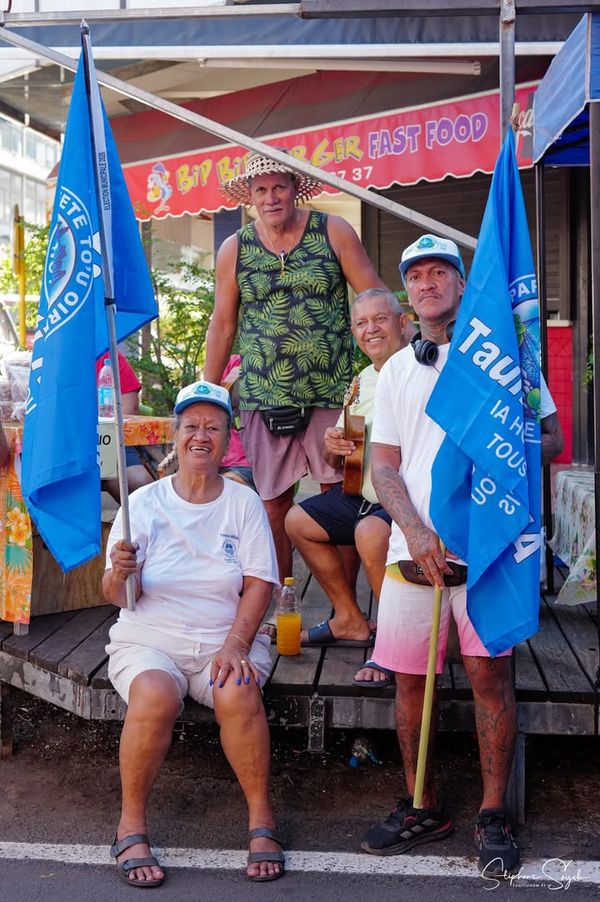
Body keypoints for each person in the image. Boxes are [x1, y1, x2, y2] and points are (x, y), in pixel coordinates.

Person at [361, 235, 562, 876]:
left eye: (439, 272)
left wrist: (504, 446)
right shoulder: (396, 369)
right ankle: (422, 804)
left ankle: (493, 812)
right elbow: (383, 466)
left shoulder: (506, 355)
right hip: (412, 550)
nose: (427, 283)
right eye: (415, 275)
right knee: (408, 683)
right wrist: (416, 531)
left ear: (462, 282)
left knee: (488, 679)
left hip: (487, 548)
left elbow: (553, 437)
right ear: (407, 293)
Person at [103, 379, 284, 887]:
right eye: (191, 426)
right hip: (150, 640)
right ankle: (130, 827)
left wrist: (236, 644)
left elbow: (260, 583)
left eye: (213, 427)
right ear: (175, 434)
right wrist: (121, 573)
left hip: (226, 639)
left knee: (238, 690)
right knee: (155, 696)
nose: (200, 436)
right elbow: (115, 594)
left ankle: (262, 820)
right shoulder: (143, 503)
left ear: (228, 440)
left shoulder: (243, 503)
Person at [204, 150, 386, 581]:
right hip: (263, 396)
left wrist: (404, 364)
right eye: (261, 190)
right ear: (250, 197)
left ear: (294, 189)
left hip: (335, 393)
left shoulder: (333, 231)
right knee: (272, 505)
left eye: (279, 187)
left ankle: (347, 607)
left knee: (342, 497)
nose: (271, 198)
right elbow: (223, 324)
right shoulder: (235, 248)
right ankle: (281, 601)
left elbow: (373, 299)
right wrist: (208, 395)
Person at [284, 288, 411, 686]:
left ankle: (395, 644)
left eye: (380, 319)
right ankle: (349, 618)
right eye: (361, 323)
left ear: (403, 323)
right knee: (297, 521)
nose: (370, 329)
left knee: (369, 533)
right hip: (363, 494)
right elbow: (343, 459)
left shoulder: (420, 369)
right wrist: (333, 447)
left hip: (407, 501)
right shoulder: (362, 380)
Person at [97, 351, 154, 501]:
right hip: (60, 447)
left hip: (109, 439)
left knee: (141, 485)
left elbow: (128, 410)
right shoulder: (49, 357)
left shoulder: (107, 355)